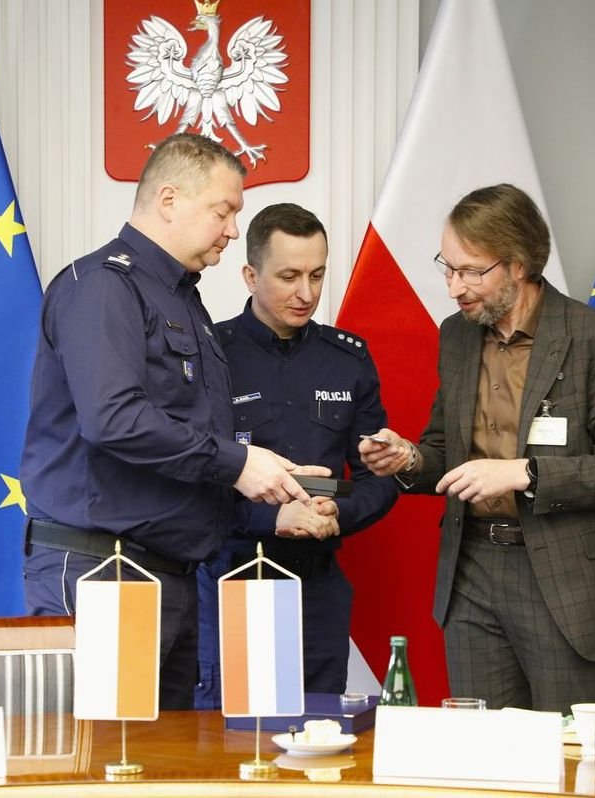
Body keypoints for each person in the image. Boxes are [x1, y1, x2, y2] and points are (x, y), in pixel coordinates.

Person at [19, 134, 327, 710]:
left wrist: (272, 499)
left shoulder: (184, 301)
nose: (233, 230)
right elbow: (113, 419)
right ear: (168, 199)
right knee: (105, 751)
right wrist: (239, 464)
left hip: (172, 576)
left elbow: (191, 444)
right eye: (223, 211)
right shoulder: (103, 287)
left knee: (160, 756)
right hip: (105, 570)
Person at [359, 184, 595, 714]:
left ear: (519, 265)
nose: (454, 287)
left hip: (566, 580)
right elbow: (446, 452)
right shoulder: (457, 336)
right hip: (472, 571)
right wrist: (409, 458)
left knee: (566, 750)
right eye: (448, 268)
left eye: (471, 271)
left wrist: (524, 472)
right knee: (482, 746)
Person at [196, 203, 398, 708]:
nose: (306, 293)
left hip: (318, 583)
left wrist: (338, 513)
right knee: (230, 735)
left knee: (318, 732)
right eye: (289, 276)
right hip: (234, 574)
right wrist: (272, 518)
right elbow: (190, 475)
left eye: (317, 275)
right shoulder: (210, 355)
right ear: (250, 275)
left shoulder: (347, 359)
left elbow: (379, 477)